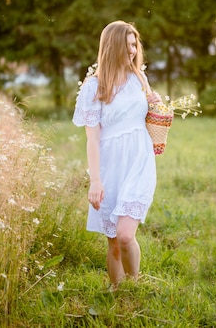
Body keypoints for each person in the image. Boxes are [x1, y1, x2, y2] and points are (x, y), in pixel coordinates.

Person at [73, 20, 161, 291]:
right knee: (112, 240)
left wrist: (157, 104)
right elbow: (93, 137)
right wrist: (96, 181)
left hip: (139, 159)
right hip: (110, 164)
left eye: (135, 44)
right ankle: (117, 291)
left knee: (124, 235)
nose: (133, 51)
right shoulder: (94, 87)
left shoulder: (139, 78)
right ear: (112, 48)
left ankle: (134, 286)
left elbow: (151, 116)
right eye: (127, 46)